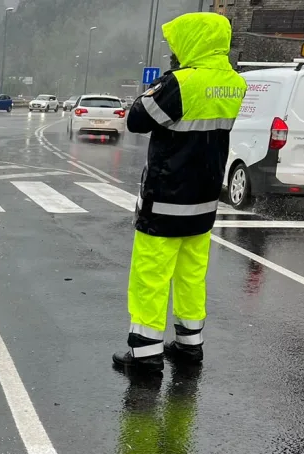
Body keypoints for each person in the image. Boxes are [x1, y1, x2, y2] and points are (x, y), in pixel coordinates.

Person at [113, 13, 247, 373]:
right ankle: (189, 345)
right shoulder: (234, 83)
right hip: (204, 201)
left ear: (192, 42)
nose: (173, 51)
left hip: (167, 197)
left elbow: (137, 119)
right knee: (191, 275)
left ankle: (144, 354)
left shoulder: (180, 83)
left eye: (176, 44)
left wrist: (162, 81)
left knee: (151, 276)